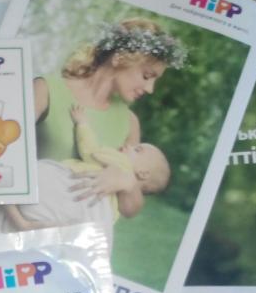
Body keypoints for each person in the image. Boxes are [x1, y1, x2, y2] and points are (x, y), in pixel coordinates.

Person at [29, 17, 185, 218]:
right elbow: (3, 156)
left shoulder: (129, 122)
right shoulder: (46, 89)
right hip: (30, 215)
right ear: (119, 58)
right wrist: (22, 223)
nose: (150, 89)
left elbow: (130, 209)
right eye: (147, 76)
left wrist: (128, 183)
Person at [5, 103, 171, 234]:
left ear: (143, 173)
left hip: (63, 193)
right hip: (84, 218)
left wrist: (82, 123)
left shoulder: (121, 163)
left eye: (137, 150)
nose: (129, 146)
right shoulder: (116, 207)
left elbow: (91, 151)